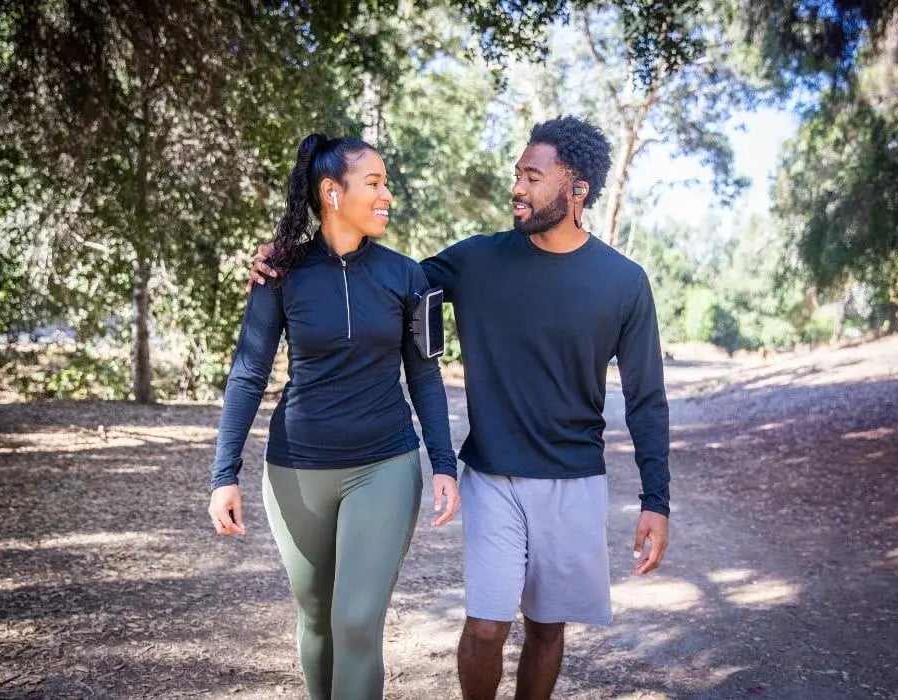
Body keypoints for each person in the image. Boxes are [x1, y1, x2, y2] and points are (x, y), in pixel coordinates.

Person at [247, 116, 670, 700]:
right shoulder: (473, 261)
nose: (517, 188)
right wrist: (292, 258)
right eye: (516, 174)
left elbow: (647, 398)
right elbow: (383, 275)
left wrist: (656, 498)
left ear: (577, 191)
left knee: (548, 627)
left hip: (575, 478)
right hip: (491, 473)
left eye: (533, 176)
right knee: (487, 625)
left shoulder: (624, 282)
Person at [210, 133, 460, 700]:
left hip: (384, 465)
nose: (387, 195)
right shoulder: (280, 273)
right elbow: (249, 373)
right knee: (317, 618)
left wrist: (443, 462)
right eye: (374, 182)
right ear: (331, 192)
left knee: (356, 620)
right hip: (295, 473)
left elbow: (424, 376)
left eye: (386, 183)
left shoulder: (409, 277)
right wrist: (224, 475)